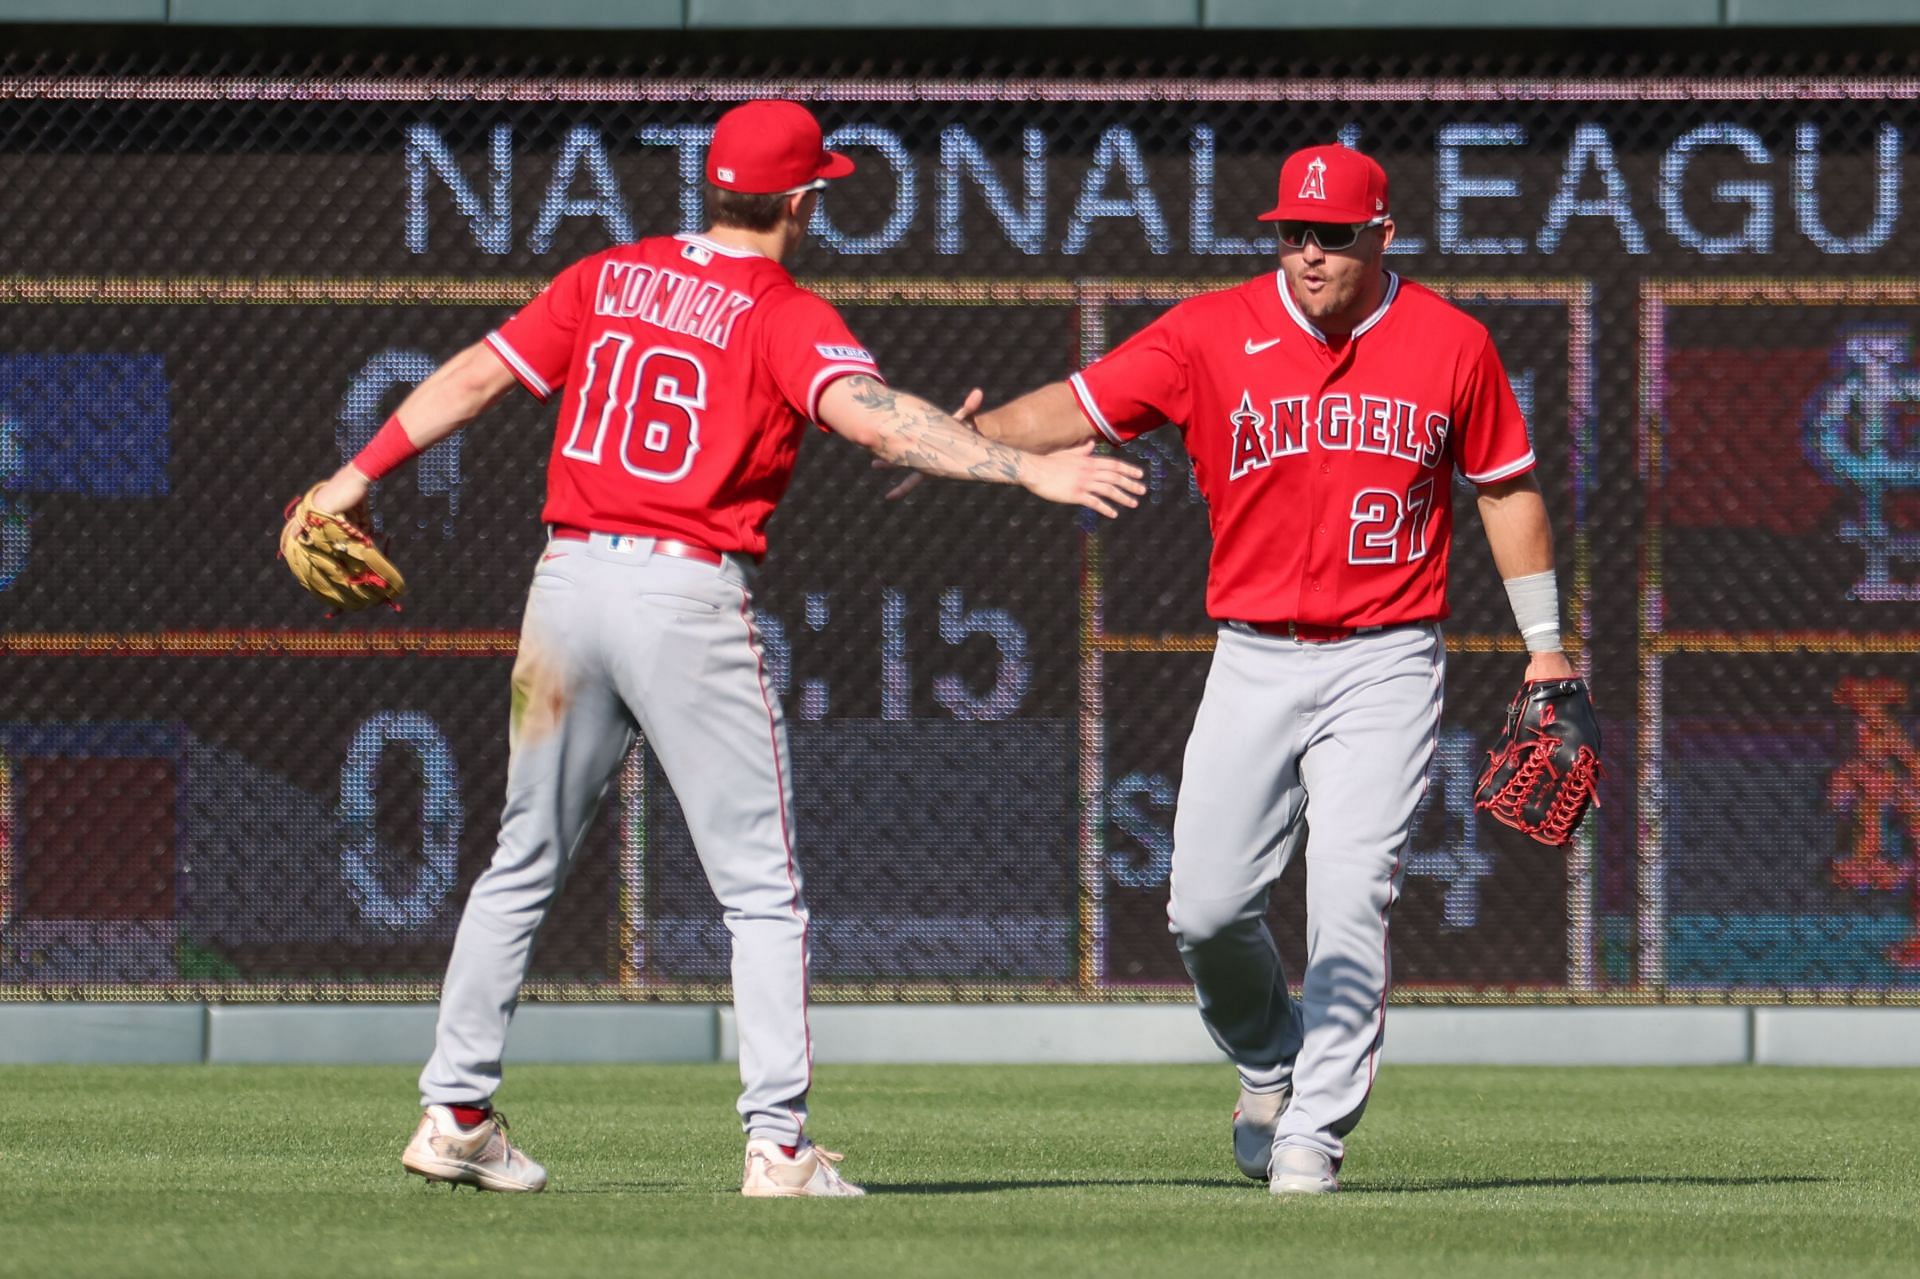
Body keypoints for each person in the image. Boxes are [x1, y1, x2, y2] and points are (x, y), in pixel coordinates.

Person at [299, 99, 1144, 1198]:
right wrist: (1021, 466)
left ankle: (454, 1111)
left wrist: (350, 480)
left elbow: (472, 377)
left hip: (567, 584)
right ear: (802, 200)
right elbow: (877, 418)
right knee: (761, 889)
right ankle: (779, 1147)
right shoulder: (780, 309)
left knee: (521, 859)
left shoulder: (609, 276)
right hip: (682, 595)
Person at [943, 143, 1575, 1194]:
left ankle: (1311, 1136)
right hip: (1253, 655)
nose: (1310, 253)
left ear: (1382, 235)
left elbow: (1507, 490)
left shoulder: (1452, 343)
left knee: (1347, 896)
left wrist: (1545, 645)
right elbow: (1075, 405)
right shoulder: (1207, 333)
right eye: (1293, 232)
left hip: (1386, 659)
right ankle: (1269, 1055)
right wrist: (962, 442)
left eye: (1332, 235)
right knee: (1203, 908)